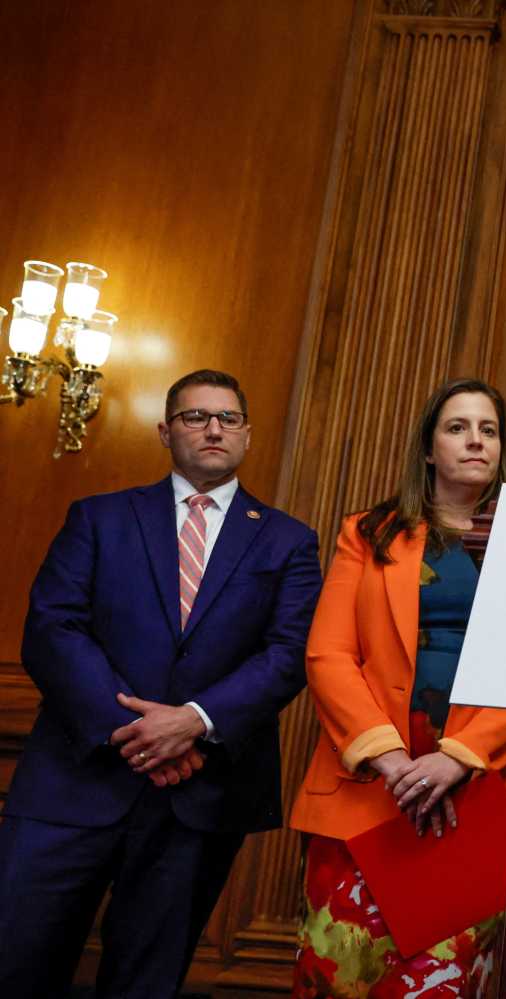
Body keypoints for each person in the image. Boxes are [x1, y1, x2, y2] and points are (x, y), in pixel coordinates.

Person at [0, 369, 322, 998]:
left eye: (227, 418)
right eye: (195, 416)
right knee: (17, 962)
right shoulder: (98, 517)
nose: (213, 429)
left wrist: (193, 721)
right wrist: (139, 731)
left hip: (200, 794)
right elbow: (52, 628)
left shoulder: (289, 540)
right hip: (75, 781)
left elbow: (288, 655)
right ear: (165, 431)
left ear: (248, 435)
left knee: (145, 982)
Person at [288, 378, 506, 999]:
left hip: (477, 790)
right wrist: (390, 758)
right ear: (428, 449)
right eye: (457, 427)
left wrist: (459, 757)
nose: (475, 440)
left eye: (489, 429)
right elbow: (329, 653)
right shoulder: (368, 533)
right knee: (341, 978)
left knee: (440, 985)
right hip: (371, 789)